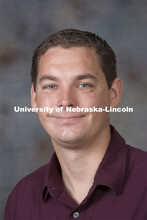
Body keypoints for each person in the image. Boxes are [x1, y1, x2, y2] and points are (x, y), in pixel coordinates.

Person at [4, 29, 147, 220]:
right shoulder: (21, 199)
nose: (65, 101)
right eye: (51, 86)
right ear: (35, 99)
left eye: (83, 84)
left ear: (114, 94)